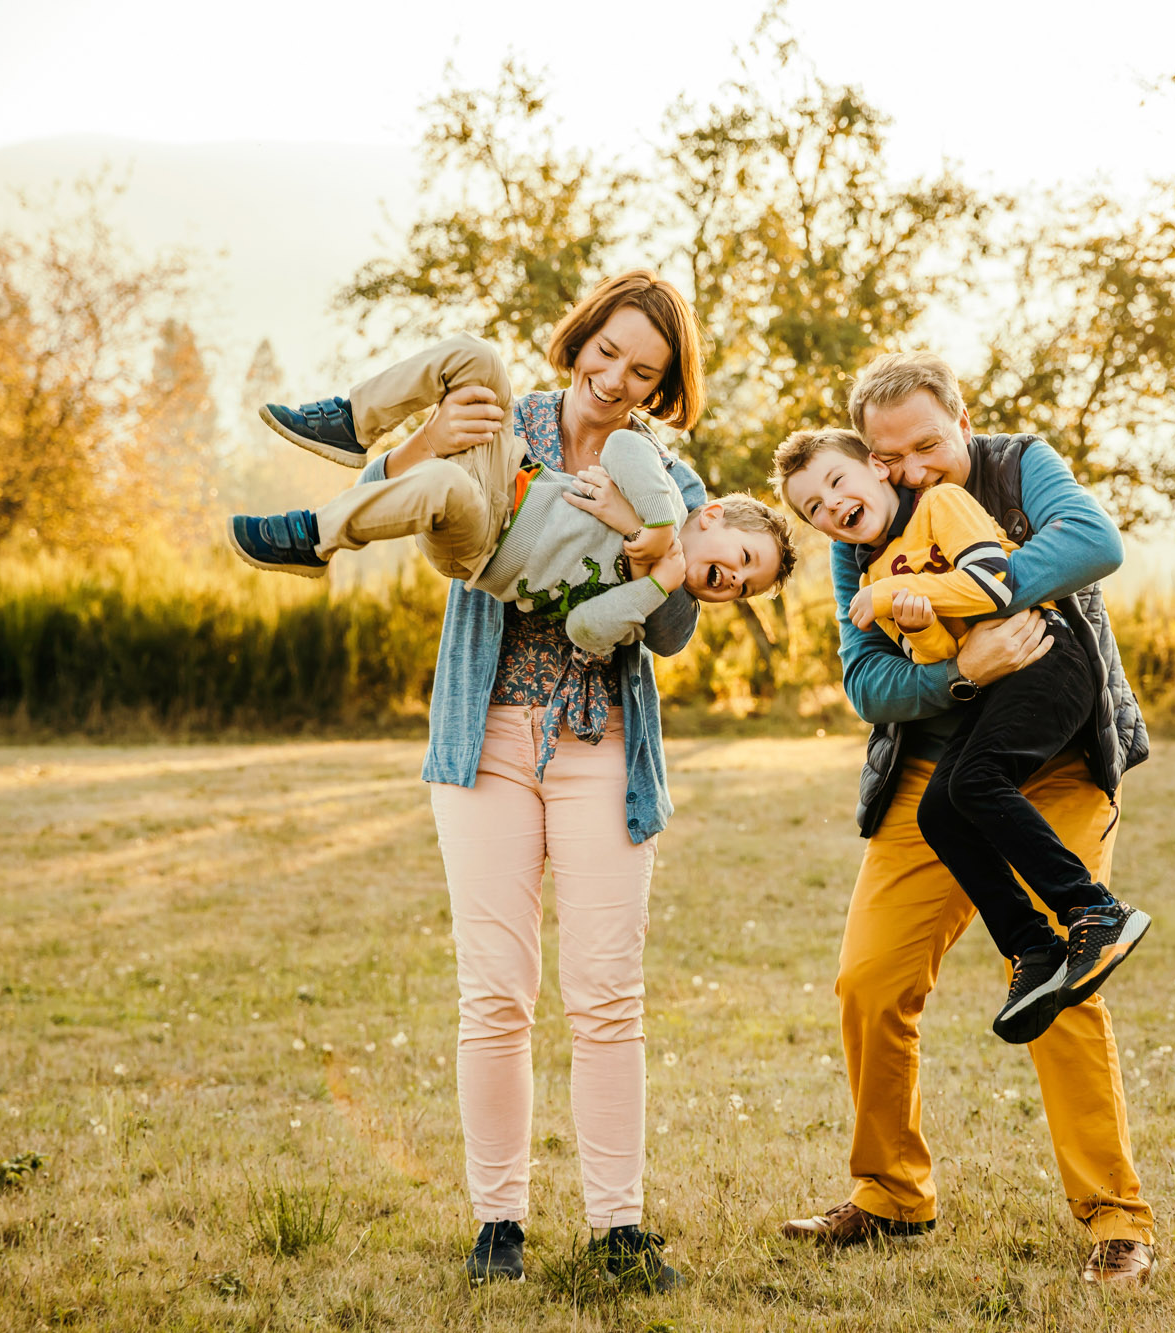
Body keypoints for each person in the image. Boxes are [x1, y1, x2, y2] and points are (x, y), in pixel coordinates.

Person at [265, 270, 726, 1289]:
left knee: (606, 997)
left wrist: (656, 542)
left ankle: (617, 1226)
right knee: (495, 995)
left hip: (603, 743)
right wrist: (419, 443)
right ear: (579, 340)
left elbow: (677, 633)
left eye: (642, 373)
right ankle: (497, 1223)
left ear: (662, 386)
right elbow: (406, 491)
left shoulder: (665, 473)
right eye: (605, 354)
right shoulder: (502, 415)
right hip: (485, 743)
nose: (614, 381)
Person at [776, 352, 1158, 1286]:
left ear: (963, 421)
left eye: (926, 446)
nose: (909, 471)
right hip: (931, 772)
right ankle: (891, 1193)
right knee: (868, 982)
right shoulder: (851, 531)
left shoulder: (1020, 462)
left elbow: (1091, 543)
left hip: (1060, 767)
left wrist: (976, 600)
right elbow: (867, 681)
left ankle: (1116, 1217)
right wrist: (963, 669)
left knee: (1066, 974)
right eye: (887, 454)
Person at [775, 428, 1150, 1044]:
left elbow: (995, 585)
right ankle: (1034, 949)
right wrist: (919, 628)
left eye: (837, 482)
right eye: (814, 507)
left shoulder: (941, 506)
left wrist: (900, 592)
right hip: (999, 687)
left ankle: (1096, 911)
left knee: (974, 783)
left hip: (1049, 659)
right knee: (940, 812)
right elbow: (951, 651)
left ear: (877, 467)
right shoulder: (872, 567)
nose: (831, 504)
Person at [227, 336, 793, 656]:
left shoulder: (659, 599)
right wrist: (654, 529)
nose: (733, 580)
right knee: (478, 359)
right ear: (712, 516)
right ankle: (353, 421)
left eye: (745, 587)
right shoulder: (671, 491)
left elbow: (587, 631)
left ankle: (311, 538)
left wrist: (658, 581)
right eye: (744, 558)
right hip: (508, 477)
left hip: (484, 544)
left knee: (443, 486)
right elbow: (622, 447)